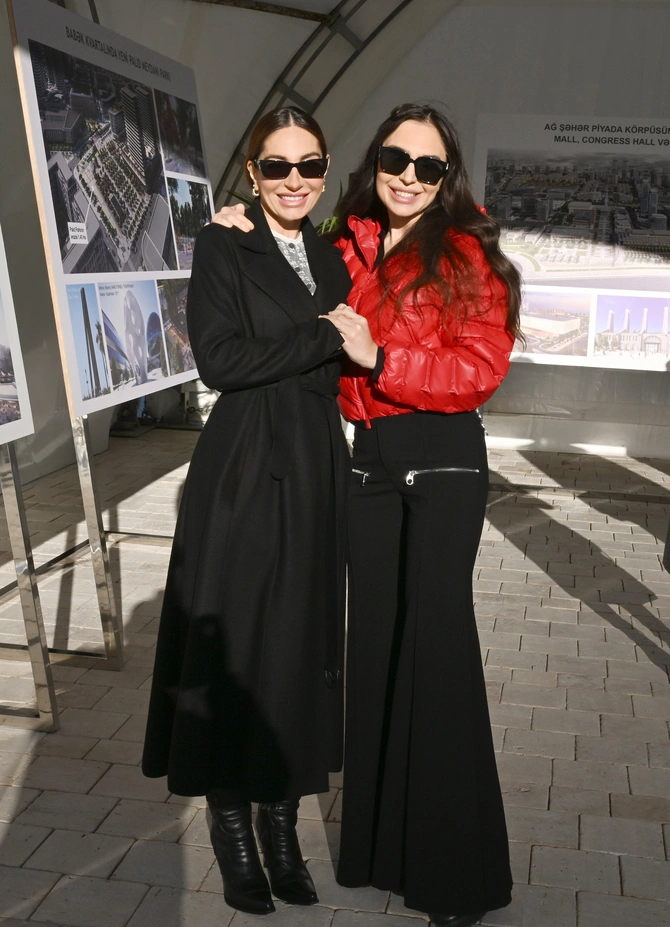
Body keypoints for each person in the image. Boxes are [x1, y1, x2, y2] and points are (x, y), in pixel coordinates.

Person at [212, 102, 521, 927]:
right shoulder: (347, 239)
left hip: (442, 457)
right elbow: (284, 252)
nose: (408, 176)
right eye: (395, 158)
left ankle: (457, 877)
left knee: (438, 656)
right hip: (368, 463)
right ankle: (381, 851)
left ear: (447, 176)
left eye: (428, 165)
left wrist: (383, 357)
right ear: (373, 160)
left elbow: (481, 367)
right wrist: (236, 220)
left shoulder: (468, 252)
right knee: (376, 653)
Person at [142, 106, 361, 916]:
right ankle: (233, 832)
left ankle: (282, 828)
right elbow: (223, 360)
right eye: (276, 166)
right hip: (241, 468)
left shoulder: (333, 253)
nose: (294, 181)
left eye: (309, 166)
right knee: (236, 650)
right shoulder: (221, 244)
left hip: (316, 467)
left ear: (326, 170)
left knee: (300, 652)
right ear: (252, 172)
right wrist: (323, 335)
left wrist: (333, 341)